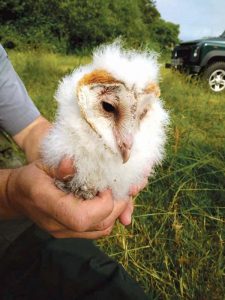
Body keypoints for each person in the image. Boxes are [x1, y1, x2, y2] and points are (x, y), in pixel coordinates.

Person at [0, 44, 149, 299]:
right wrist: (9, 192)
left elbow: (31, 129)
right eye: (109, 109)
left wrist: (83, 161)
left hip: (21, 226)